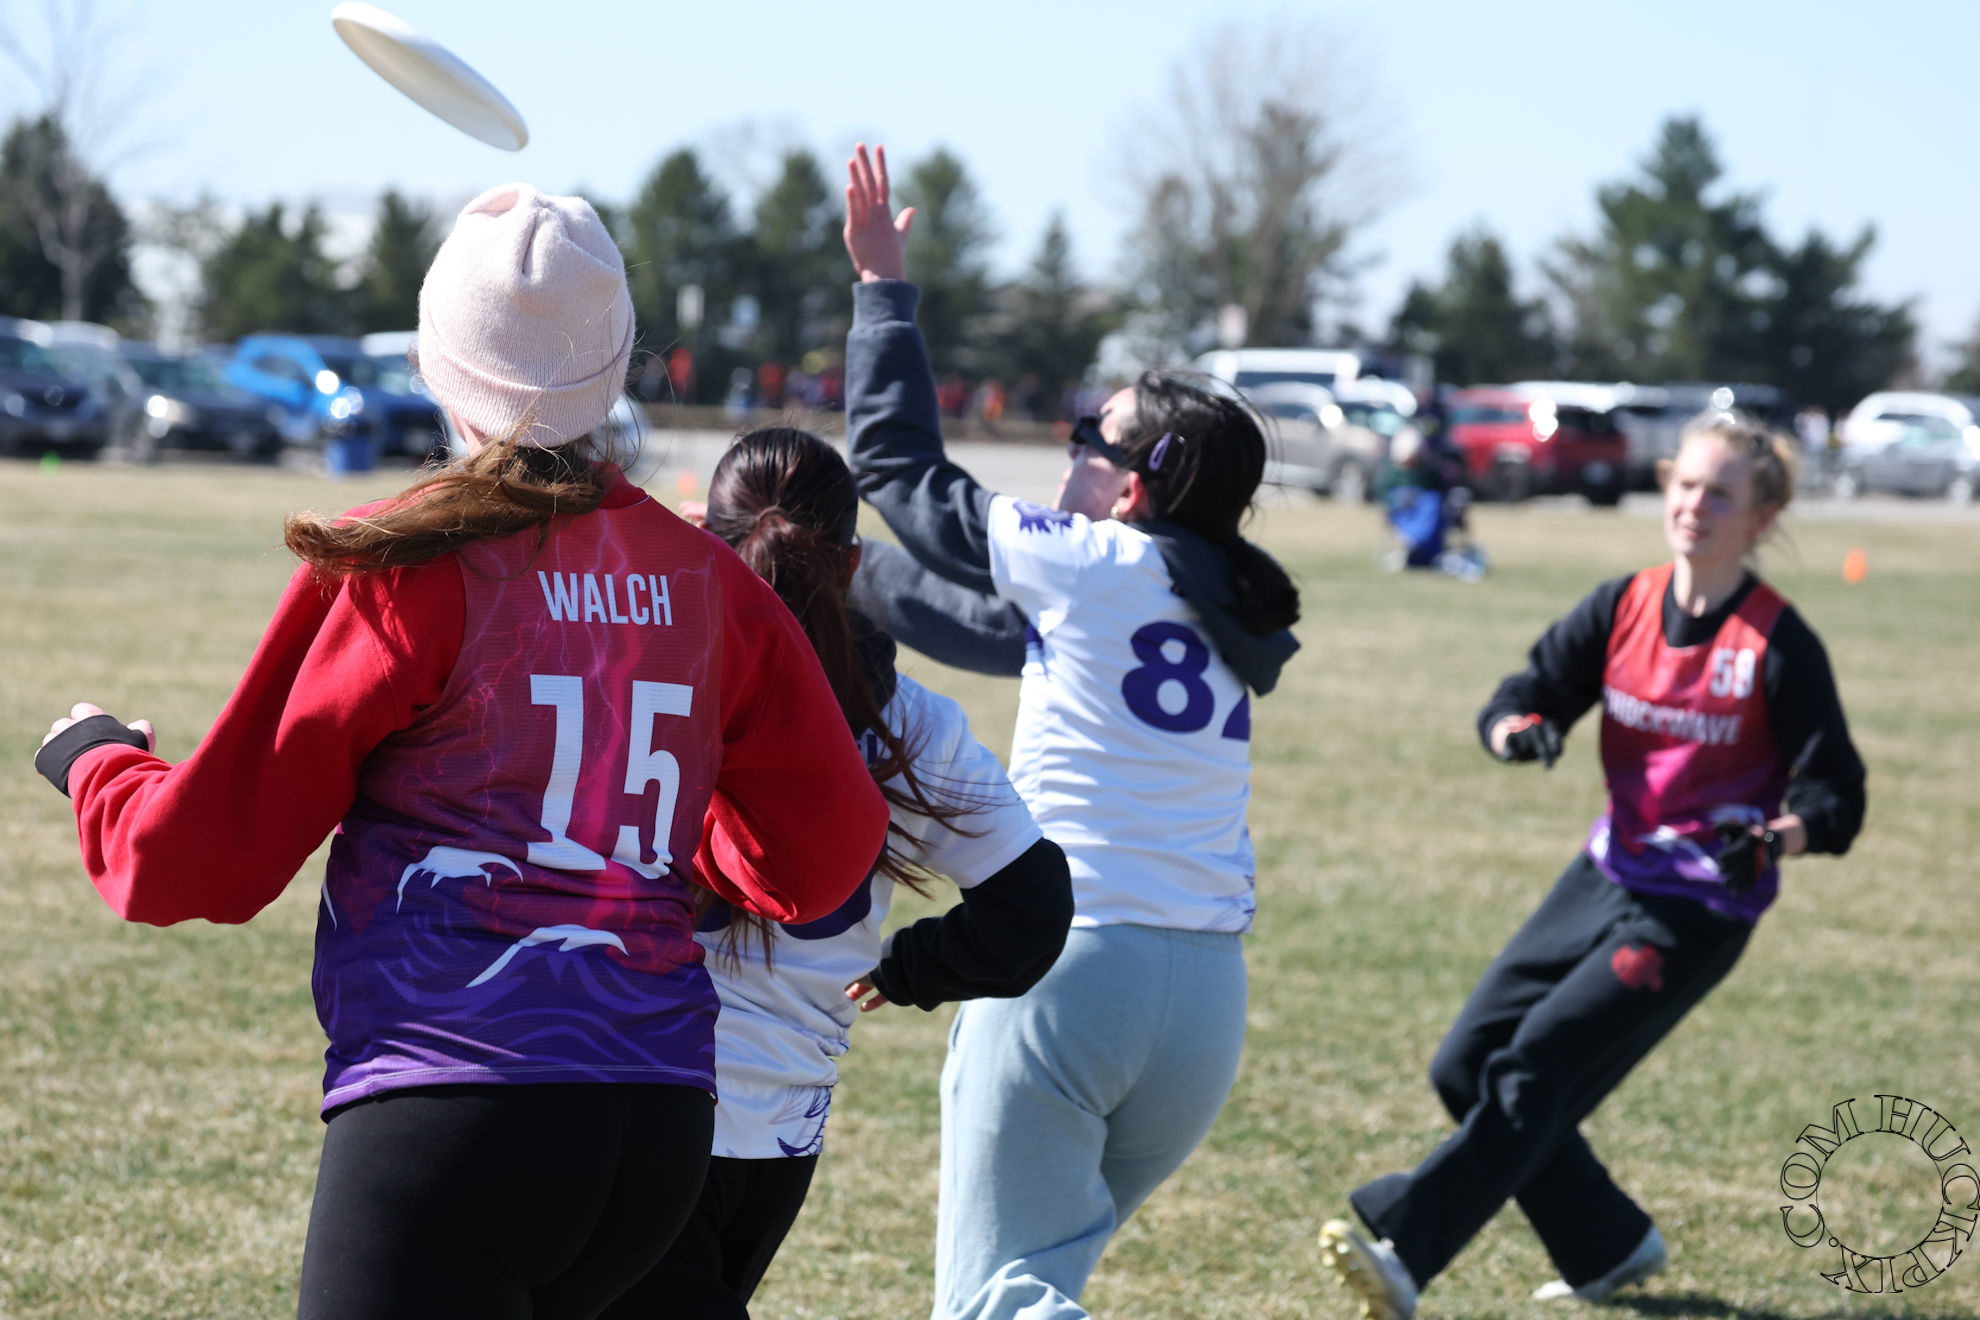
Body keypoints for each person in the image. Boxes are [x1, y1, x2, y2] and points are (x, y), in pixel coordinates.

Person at [32, 184, 890, 1320]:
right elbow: (825, 857)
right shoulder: (708, 580)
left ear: (438, 362)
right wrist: (664, 849)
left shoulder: (408, 568)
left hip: (457, 1110)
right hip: (660, 1127)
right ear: (617, 365)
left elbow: (196, 860)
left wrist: (97, 762)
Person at [839, 144, 1302, 1320]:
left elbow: (895, 464)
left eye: (1093, 435)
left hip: (1071, 973)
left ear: (1136, 486)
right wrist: (830, 570)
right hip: (1202, 1006)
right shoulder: (1222, 596)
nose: (1071, 449)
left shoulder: (1092, 564)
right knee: (1036, 1286)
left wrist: (883, 291)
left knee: (998, 1303)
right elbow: (982, 626)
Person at [1317, 412, 1867, 1319]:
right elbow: (1530, 691)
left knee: (1534, 1067)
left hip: (1699, 907)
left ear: (1761, 518)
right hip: (1607, 873)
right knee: (1466, 1064)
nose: (1695, 506)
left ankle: (1407, 1252)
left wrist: (1777, 838)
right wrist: (1515, 729)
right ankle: (1606, 1243)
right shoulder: (1625, 605)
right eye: (1686, 486)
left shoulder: (1777, 643)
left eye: (1720, 494)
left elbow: (1836, 793)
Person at [603, 427, 1074, 1319]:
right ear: (854, 563)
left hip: (636, 1099)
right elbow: (1034, 910)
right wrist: (910, 968)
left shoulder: (634, 668)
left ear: (706, 532)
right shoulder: (908, 721)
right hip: (779, 1133)